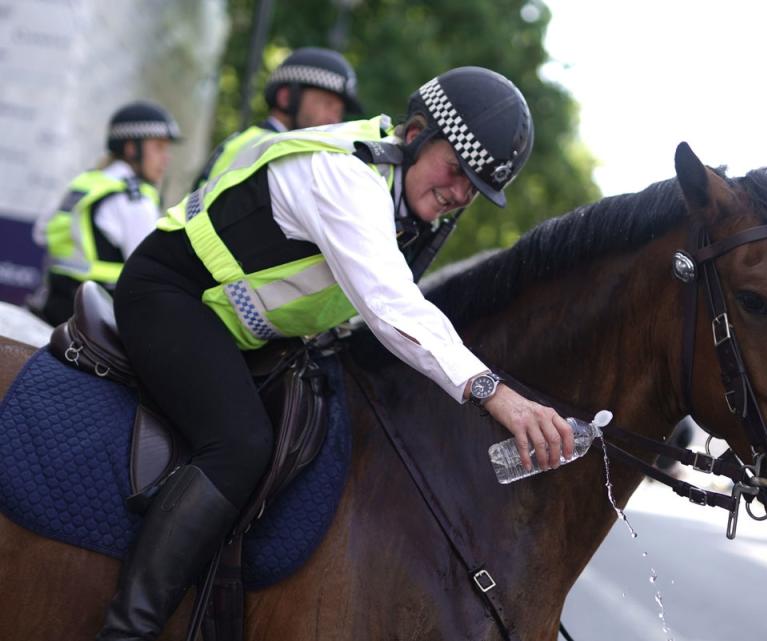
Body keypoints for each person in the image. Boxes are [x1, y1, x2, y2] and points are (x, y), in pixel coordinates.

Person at [98, 66, 574, 640]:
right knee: (240, 446)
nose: (459, 194)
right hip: (171, 295)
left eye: (474, 189)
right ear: (416, 133)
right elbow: (390, 304)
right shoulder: (346, 176)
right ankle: (129, 629)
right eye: (455, 171)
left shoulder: (401, 203)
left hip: (240, 333)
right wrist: (494, 393)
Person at [29, 101, 180, 326]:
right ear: (131, 148)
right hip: (97, 321)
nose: (166, 158)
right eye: (158, 147)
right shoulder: (134, 200)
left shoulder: (86, 183)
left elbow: (41, 233)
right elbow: (153, 272)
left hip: (52, 306)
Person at [193, 47, 363, 188]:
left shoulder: (248, 141)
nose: (334, 119)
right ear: (286, 98)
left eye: (339, 112)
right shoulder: (271, 148)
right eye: (327, 104)